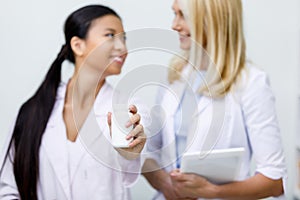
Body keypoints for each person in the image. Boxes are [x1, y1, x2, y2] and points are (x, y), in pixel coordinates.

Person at [142, 0, 287, 199]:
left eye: (183, 15)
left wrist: (211, 192)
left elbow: (274, 180)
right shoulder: (174, 75)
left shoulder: (252, 82)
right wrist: (166, 186)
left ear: (212, 20)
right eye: (174, 14)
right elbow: (149, 152)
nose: (174, 25)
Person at [0, 5, 146, 200]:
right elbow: (8, 188)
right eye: (110, 35)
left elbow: (129, 176)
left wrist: (130, 153)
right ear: (78, 45)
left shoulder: (130, 110)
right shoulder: (33, 111)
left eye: (124, 39)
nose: (122, 48)